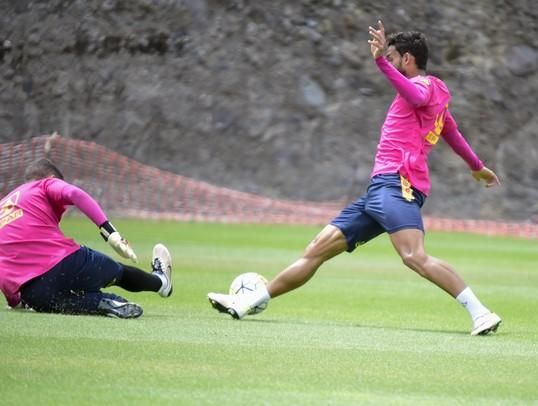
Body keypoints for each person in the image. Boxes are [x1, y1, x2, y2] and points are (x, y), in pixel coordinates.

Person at [208, 21, 502, 335]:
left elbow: (417, 97)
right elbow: (452, 133)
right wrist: (476, 166)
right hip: (380, 191)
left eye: (391, 56)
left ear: (407, 59)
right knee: (316, 250)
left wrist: (378, 62)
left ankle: (480, 312)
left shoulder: (426, 87)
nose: (387, 61)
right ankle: (247, 302)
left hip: (398, 184)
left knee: (414, 256)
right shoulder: (432, 101)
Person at [0, 158, 173, 318]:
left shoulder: (5, 205)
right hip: (66, 263)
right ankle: (161, 282)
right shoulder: (43, 185)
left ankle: (101, 302)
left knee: (56, 301)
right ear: (52, 178)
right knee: (118, 274)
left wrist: (15, 301)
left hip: (34, 293)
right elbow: (75, 194)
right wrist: (109, 231)